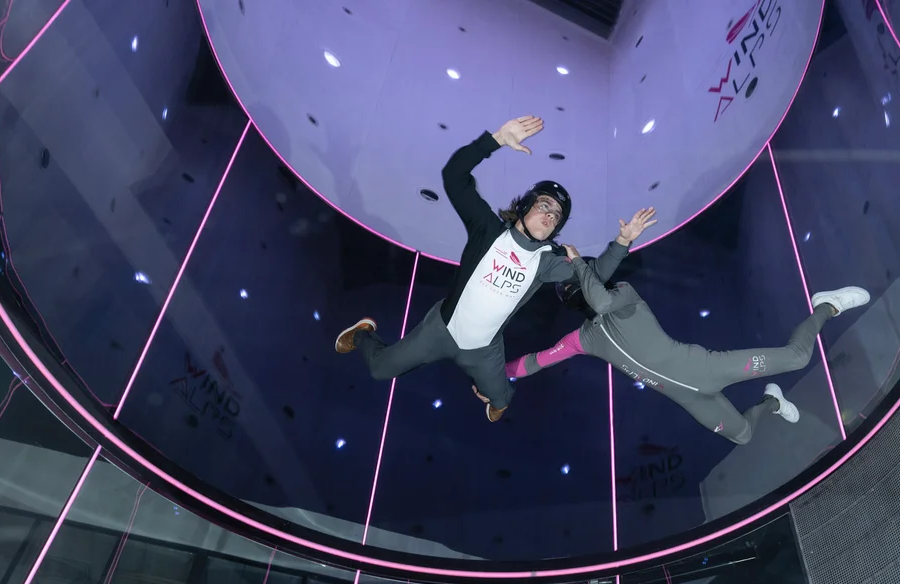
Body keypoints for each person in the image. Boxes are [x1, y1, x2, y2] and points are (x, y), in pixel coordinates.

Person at [335, 116, 652, 422]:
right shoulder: (488, 229)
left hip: (484, 351)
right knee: (379, 370)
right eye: (545, 205)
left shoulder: (546, 261)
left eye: (557, 215)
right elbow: (454, 175)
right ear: (526, 205)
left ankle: (495, 398)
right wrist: (496, 140)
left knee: (501, 402)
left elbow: (592, 276)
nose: (550, 216)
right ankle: (364, 333)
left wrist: (622, 242)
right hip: (440, 331)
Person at [507, 252, 870, 444]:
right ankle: (772, 402)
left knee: (798, 357)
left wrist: (578, 263)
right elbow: (534, 362)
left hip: (709, 369)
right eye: (570, 290)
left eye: (578, 282)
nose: (577, 291)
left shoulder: (624, 297)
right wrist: (491, 374)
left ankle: (827, 305)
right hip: (691, 400)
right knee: (742, 436)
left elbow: (601, 303)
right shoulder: (581, 339)